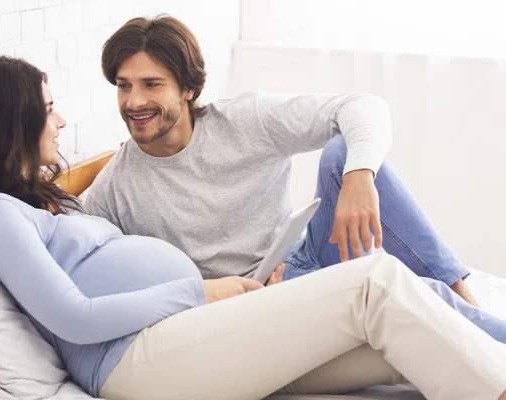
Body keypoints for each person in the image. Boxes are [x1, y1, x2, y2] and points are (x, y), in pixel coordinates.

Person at [0, 56, 506, 400]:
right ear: (11, 120)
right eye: (48, 107)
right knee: (372, 284)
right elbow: (71, 316)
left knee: (409, 324)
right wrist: (200, 291)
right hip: (132, 362)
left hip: (195, 337)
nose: (61, 118)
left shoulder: (49, 202)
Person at [86, 14, 503, 337]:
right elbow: (97, 275)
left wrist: (359, 177)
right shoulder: (114, 189)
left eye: (151, 84)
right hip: (257, 299)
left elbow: (362, 106)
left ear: (188, 89)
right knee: (412, 298)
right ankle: (481, 329)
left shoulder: (244, 119)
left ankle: (469, 304)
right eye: (124, 86)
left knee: (344, 151)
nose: (134, 101)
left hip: (304, 253)